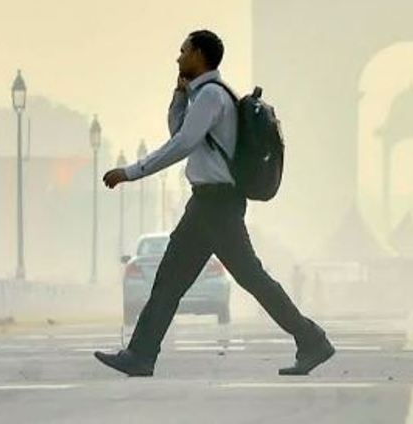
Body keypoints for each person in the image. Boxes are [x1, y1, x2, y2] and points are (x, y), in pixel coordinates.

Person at [93, 30, 334, 377]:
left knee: (241, 279)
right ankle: (141, 355)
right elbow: (182, 132)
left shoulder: (210, 97)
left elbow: (182, 144)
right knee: (175, 281)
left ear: (199, 55)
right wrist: (178, 96)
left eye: (183, 51)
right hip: (210, 204)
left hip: (215, 205)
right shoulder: (208, 95)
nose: (178, 58)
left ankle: (311, 339)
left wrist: (132, 172)